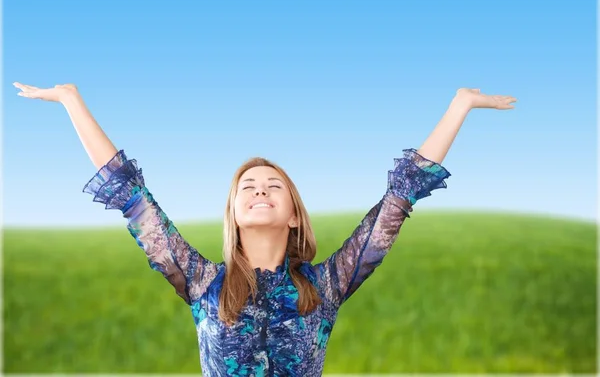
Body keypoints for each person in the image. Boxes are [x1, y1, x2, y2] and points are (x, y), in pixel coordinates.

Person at [13, 81, 516, 376]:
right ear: (233, 212)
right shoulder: (202, 281)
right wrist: (70, 100)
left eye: (273, 185)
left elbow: (396, 201)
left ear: (294, 212)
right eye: (247, 186)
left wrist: (460, 104)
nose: (258, 190)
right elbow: (131, 197)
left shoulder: (326, 286)